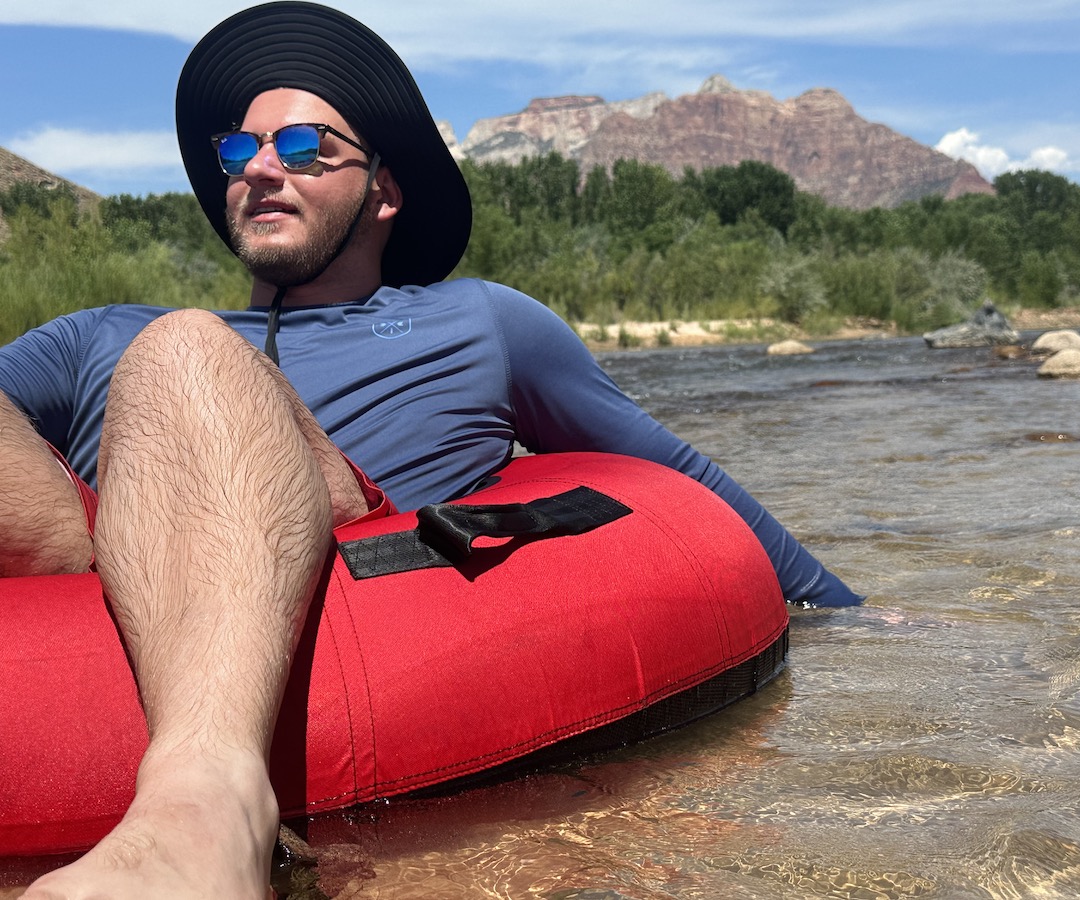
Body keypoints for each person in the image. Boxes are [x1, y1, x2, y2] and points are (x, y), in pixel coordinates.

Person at [5, 2, 860, 896]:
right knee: (167, 347)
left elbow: (682, 479)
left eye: (300, 148)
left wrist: (857, 620)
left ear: (382, 188)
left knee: (185, 355)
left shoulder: (479, 321)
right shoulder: (96, 335)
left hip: (320, 547)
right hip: (97, 557)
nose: (258, 168)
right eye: (237, 151)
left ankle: (206, 819)